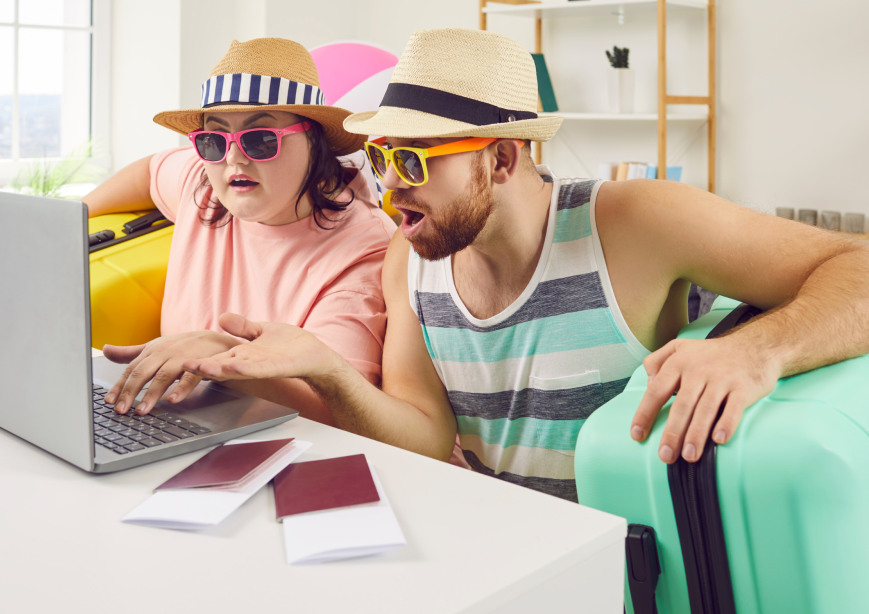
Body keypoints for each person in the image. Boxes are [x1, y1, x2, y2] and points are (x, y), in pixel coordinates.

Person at [177, 29, 869, 502]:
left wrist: (756, 350)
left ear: (501, 158)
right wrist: (321, 369)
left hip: (638, 567)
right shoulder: (408, 260)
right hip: (510, 555)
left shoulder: (636, 221)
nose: (389, 188)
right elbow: (426, 437)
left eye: (413, 160)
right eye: (382, 159)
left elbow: (856, 266)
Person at [83, 37, 395, 426]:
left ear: (314, 142)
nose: (233, 157)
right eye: (213, 140)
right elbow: (151, 171)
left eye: (261, 139)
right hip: (171, 424)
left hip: (286, 447)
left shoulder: (363, 250)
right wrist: (73, 215)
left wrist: (222, 356)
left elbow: (335, 406)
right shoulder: (204, 185)